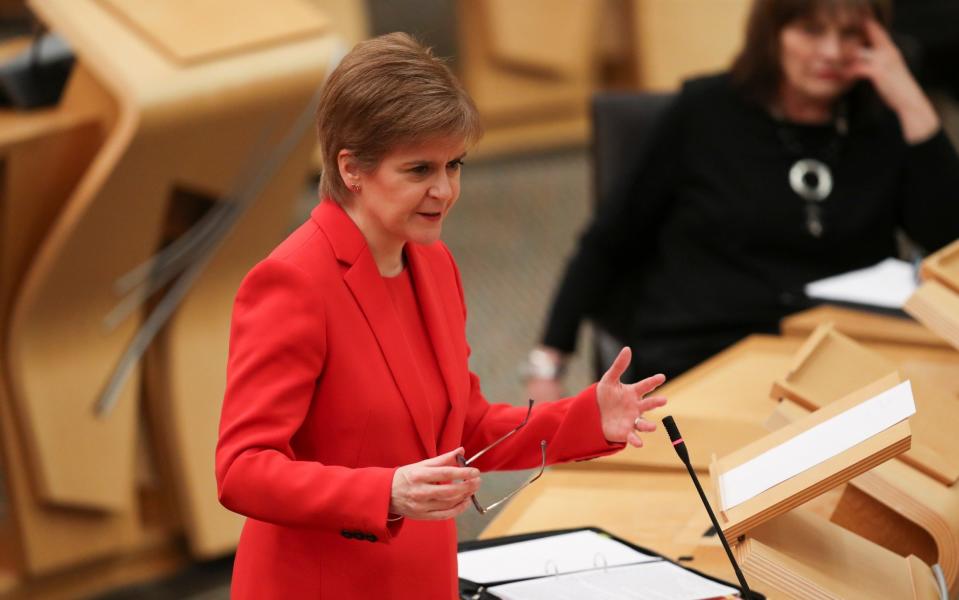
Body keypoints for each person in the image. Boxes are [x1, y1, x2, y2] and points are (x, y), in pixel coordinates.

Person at [214, 33, 667, 599]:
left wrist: (584, 419)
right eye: (419, 170)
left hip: (422, 576)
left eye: (455, 164)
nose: (446, 190)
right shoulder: (293, 283)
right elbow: (242, 470)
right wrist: (385, 493)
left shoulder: (431, 261)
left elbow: (463, 426)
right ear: (351, 168)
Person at [525, 0, 959, 400]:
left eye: (851, 35)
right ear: (772, 33)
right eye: (811, 31)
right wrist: (548, 364)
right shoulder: (704, 112)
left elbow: (947, 242)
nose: (831, 52)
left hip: (843, 358)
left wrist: (909, 98)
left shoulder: (883, 119)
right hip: (705, 354)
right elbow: (608, 241)